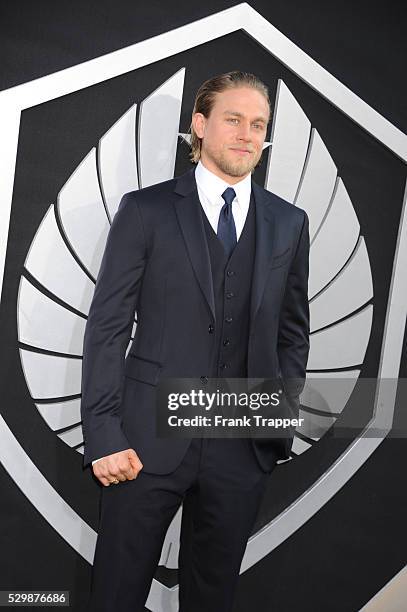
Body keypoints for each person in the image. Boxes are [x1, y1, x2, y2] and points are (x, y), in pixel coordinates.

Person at [81, 71, 310, 612]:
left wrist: (276, 418)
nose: (246, 134)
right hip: (143, 442)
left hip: (240, 448)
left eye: (258, 125)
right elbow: (108, 328)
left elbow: (292, 333)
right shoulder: (146, 211)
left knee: (214, 598)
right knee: (115, 594)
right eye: (233, 119)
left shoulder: (289, 223)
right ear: (200, 125)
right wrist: (105, 432)